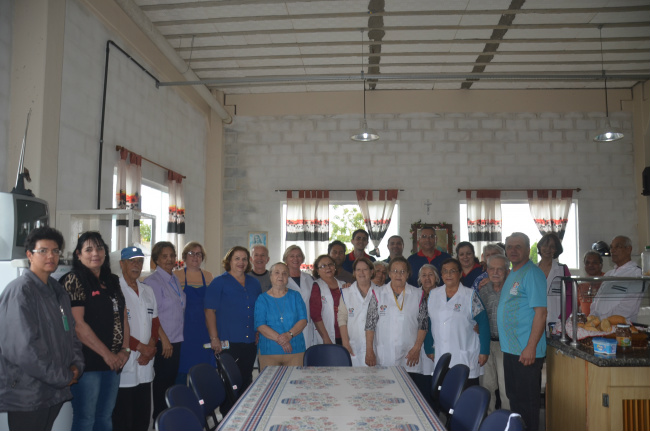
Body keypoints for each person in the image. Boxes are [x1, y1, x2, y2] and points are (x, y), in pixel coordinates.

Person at [0, 227, 84, 431]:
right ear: (29, 255)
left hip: (52, 391)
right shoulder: (20, 291)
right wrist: (64, 377)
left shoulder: (58, 292)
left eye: (55, 251)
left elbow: (70, 335)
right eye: (43, 251)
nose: (51, 256)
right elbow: (24, 350)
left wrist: (76, 366)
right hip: (28, 394)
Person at [60, 231, 131, 431]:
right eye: (88, 249)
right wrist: (108, 355)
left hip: (114, 362)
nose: (95, 253)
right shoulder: (73, 280)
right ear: (78, 254)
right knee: (86, 419)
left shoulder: (112, 281)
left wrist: (125, 350)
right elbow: (78, 325)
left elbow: (123, 316)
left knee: (105, 417)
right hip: (87, 362)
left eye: (99, 248)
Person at [497, 232, 547, 431]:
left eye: (518, 246)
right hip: (512, 349)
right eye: (510, 247)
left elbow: (541, 313)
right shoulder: (514, 272)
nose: (513, 250)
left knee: (527, 404)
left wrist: (531, 347)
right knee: (515, 401)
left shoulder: (532, 273)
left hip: (526, 352)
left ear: (528, 249)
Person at [113, 247, 161, 431]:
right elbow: (115, 327)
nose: (136, 265)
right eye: (132, 261)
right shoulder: (116, 290)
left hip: (146, 362)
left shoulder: (147, 290)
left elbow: (154, 322)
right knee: (124, 419)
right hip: (126, 362)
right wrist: (141, 347)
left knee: (143, 417)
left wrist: (150, 348)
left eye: (140, 261)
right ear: (121, 264)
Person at [205, 246, 262, 394]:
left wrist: (257, 331)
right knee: (229, 383)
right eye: (237, 258)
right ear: (229, 261)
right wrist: (214, 338)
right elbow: (209, 311)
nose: (241, 262)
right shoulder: (219, 282)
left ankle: (244, 413)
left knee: (246, 380)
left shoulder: (254, 283)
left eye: (244, 259)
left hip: (250, 342)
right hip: (228, 342)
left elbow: (259, 310)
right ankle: (227, 416)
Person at [365, 257, 428, 385]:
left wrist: (416, 349)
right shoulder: (377, 294)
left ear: (408, 274)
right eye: (394, 271)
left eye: (402, 271)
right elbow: (370, 325)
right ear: (389, 274)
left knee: (410, 391)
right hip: (385, 353)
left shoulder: (418, 294)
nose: (398, 275)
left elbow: (423, 324)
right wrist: (369, 350)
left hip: (410, 354)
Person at [428, 258, 490, 387]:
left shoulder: (470, 295)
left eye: (453, 271)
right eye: (445, 271)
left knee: (466, 395)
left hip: (465, 354)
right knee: (443, 395)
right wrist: (428, 347)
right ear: (441, 275)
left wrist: (484, 351)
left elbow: (483, 323)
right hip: (441, 354)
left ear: (460, 274)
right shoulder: (433, 294)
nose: (448, 275)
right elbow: (429, 322)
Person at [143, 241, 184, 421]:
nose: (169, 259)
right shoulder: (153, 281)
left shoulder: (174, 278)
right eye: (164, 256)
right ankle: (160, 422)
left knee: (169, 385)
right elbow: (152, 314)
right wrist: (164, 340)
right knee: (161, 387)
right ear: (156, 260)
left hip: (176, 340)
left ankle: (168, 421)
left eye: (172, 256)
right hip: (163, 342)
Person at [173, 242, 215, 383]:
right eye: (191, 253)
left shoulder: (209, 276)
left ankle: (202, 402)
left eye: (199, 254)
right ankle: (181, 402)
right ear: (185, 256)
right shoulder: (176, 276)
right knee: (182, 370)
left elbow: (212, 306)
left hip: (203, 329)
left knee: (202, 372)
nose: (195, 257)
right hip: (184, 330)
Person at [255, 262, 308, 370]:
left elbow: (303, 320)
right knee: (269, 385)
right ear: (270, 276)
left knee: (295, 385)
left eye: (284, 273)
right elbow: (260, 325)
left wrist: (289, 335)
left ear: (288, 277)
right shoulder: (262, 299)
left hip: (295, 349)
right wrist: (282, 340)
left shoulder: (295, 296)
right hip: (269, 352)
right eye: (277, 273)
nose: (281, 276)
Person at [479, 254, 511, 414]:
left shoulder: (513, 291)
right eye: (492, 268)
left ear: (507, 271)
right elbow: (477, 319)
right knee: (486, 386)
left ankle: (507, 423)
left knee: (506, 388)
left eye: (500, 269)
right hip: (487, 344)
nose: (496, 272)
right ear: (487, 270)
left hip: (506, 345)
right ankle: (488, 422)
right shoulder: (483, 291)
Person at [591, 235, 643, 321]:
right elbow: (596, 301)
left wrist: (603, 319)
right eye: (611, 247)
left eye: (617, 246)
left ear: (628, 249)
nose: (612, 250)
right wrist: (593, 318)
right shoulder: (608, 274)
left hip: (621, 327)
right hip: (601, 326)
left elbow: (628, 307)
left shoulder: (636, 273)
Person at [338, 257, 377, 366]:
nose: (361, 273)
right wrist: (345, 342)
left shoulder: (380, 292)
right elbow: (342, 318)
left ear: (371, 271)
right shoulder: (346, 292)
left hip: (376, 345)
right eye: (358, 270)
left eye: (365, 269)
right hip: (353, 345)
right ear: (354, 273)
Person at [537, 232, 572, 326]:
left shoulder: (563, 269)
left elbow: (570, 297)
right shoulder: (532, 270)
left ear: (556, 250)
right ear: (540, 247)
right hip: (535, 319)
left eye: (552, 247)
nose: (548, 249)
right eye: (545, 245)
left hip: (558, 320)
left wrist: (563, 318)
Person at [284, 245, 315, 347]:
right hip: (288, 327)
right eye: (292, 256)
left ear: (302, 259)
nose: (295, 259)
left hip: (308, 325)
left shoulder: (309, 278)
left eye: (298, 256)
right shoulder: (282, 279)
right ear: (286, 259)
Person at [310, 254, 346, 345]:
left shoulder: (344, 285)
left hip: (345, 334)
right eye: (323, 266)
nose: (328, 268)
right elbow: (316, 315)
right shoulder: (316, 286)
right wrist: (325, 337)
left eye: (330, 264)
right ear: (317, 271)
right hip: (327, 335)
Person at [417, 264, 439, 404]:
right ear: (419, 279)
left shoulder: (443, 294)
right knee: (422, 384)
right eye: (424, 275)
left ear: (437, 278)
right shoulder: (414, 294)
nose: (427, 278)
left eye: (430, 275)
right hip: (418, 346)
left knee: (436, 385)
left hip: (438, 345)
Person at [577, 251, 605, 315]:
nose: (590, 265)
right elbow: (575, 308)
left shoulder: (607, 281)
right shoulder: (581, 285)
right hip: (587, 324)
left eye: (594, 262)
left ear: (601, 265)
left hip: (605, 323)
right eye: (587, 263)